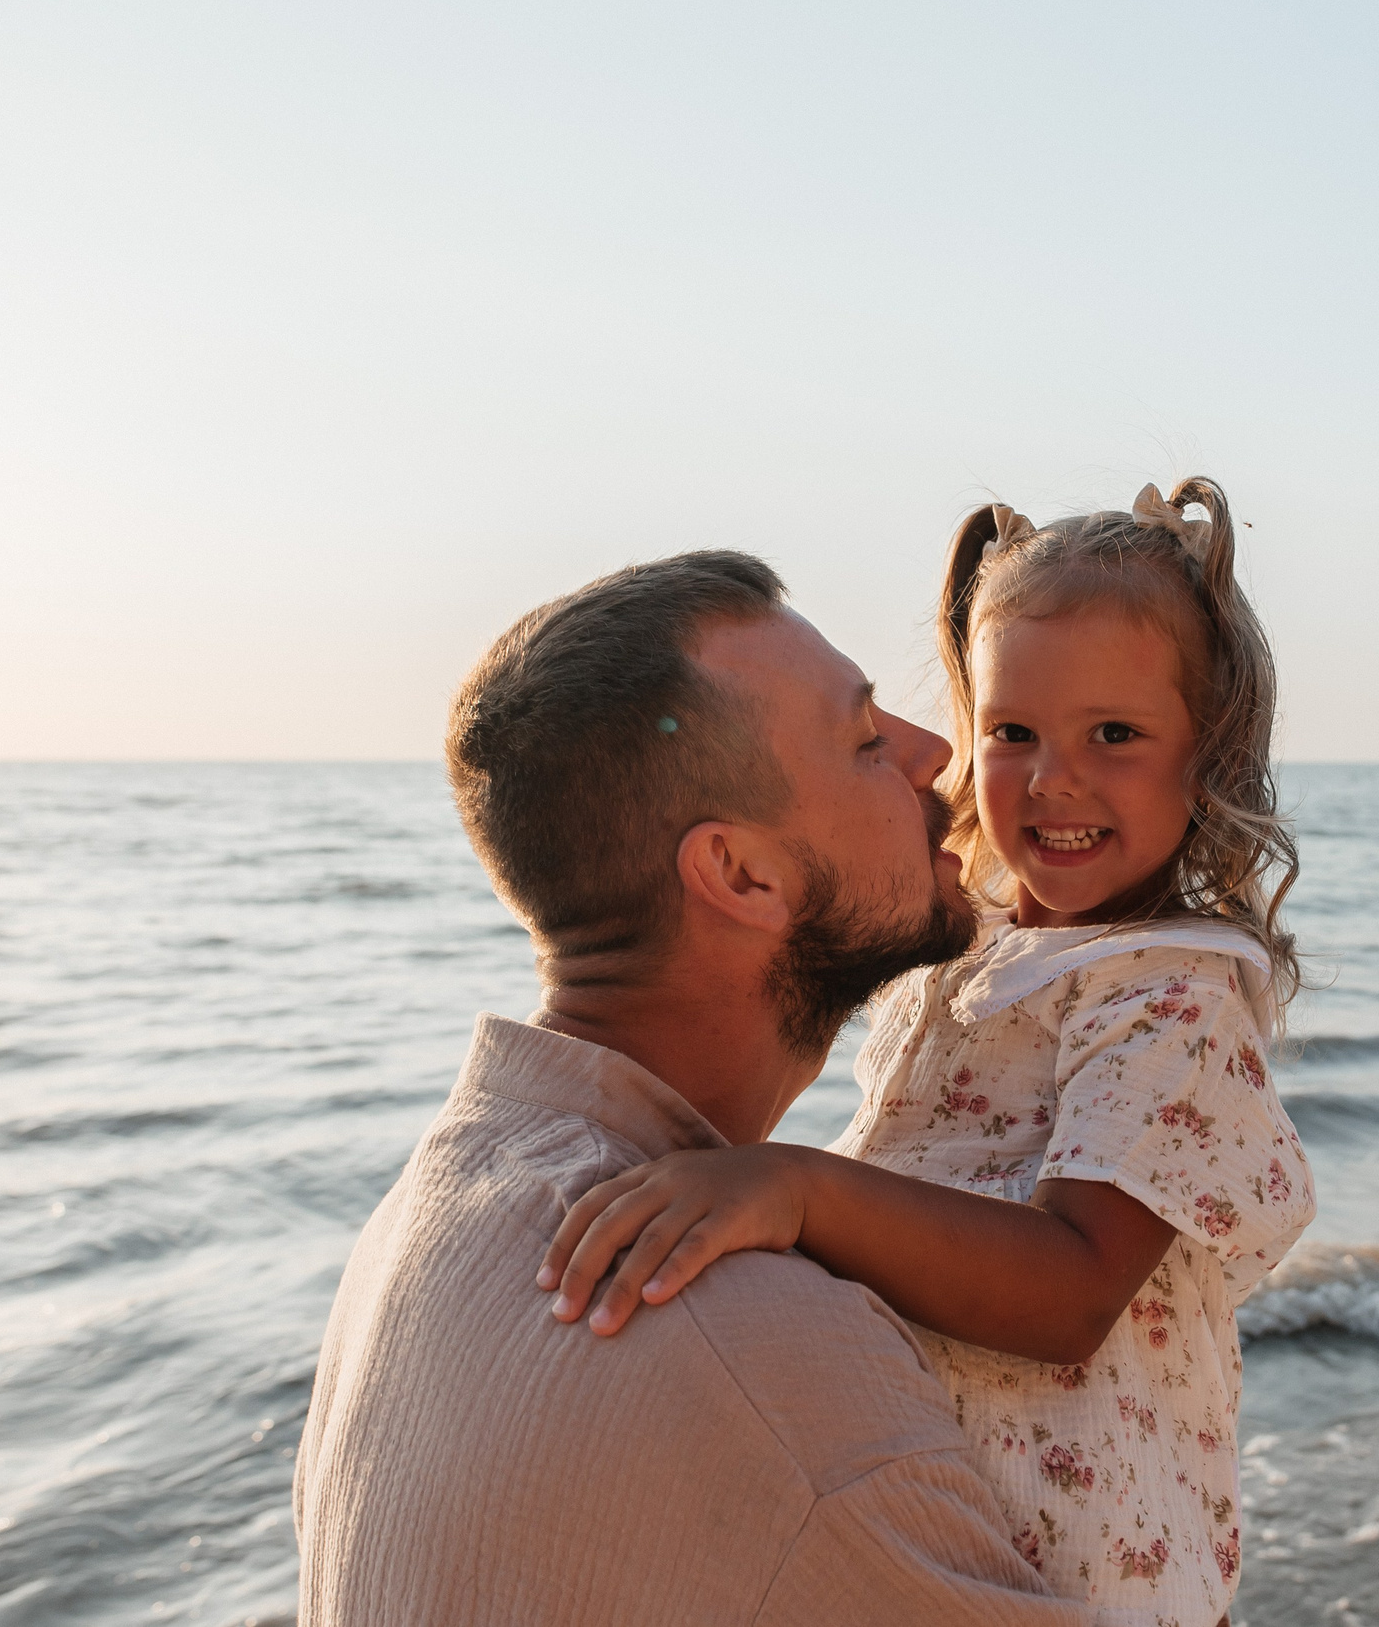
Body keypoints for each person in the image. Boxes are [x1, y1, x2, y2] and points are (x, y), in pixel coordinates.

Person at [543, 480, 1317, 1626]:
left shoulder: (1170, 992)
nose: (1052, 776)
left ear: (1207, 759)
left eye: (1114, 733)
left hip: (1081, 1568)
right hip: (934, 1518)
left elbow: (1068, 1287)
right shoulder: (986, 953)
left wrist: (795, 1186)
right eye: (1012, 732)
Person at [292, 550, 1088, 1625]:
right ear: (743, 874)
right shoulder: (752, 1346)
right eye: (863, 742)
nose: (935, 753)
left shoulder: (428, 1210)